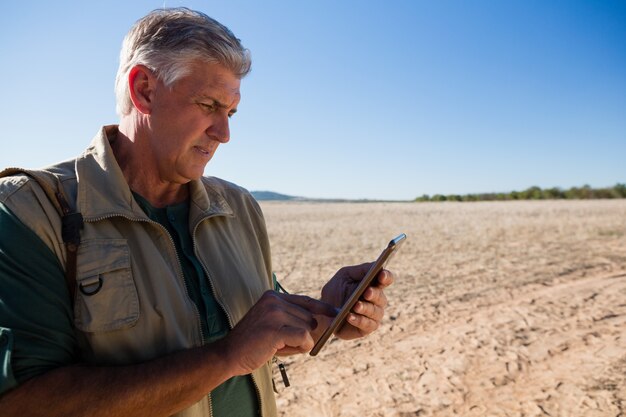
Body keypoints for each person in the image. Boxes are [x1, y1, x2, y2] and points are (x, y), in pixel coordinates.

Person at [0, 8, 393, 417]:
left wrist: (328, 316)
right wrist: (227, 356)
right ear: (144, 90)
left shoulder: (238, 208)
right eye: (209, 105)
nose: (224, 134)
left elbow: (260, 328)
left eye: (231, 112)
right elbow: (22, 402)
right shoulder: (33, 210)